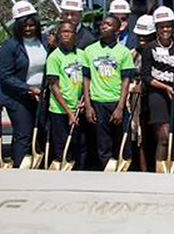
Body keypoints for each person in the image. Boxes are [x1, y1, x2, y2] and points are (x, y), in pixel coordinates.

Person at [83, 14, 135, 168]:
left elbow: (126, 81)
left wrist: (120, 107)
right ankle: (106, 171)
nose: (103, 26)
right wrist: (88, 106)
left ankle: (124, 171)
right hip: (98, 102)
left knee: (123, 143)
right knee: (103, 143)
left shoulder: (124, 52)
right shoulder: (89, 50)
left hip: (116, 102)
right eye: (102, 24)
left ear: (117, 30)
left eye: (108, 24)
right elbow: (86, 79)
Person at [0, 1, 48, 165]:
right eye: (24, 26)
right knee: (24, 133)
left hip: (41, 95)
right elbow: (5, 76)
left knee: (42, 131)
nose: (28, 29)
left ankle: (40, 165)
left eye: (31, 25)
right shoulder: (10, 46)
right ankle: (19, 165)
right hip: (17, 97)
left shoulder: (45, 41)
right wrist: (28, 88)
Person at [142, 7, 174, 170]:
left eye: (168, 26)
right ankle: (160, 172)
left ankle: (173, 169)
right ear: (156, 28)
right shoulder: (149, 48)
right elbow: (146, 76)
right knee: (164, 137)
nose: (165, 30)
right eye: (162, 27)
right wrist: (165, 87)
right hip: (158, 94)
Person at [46, 20, 85, 165]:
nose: (66, 35)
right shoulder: (54, 57)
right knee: (62, 146)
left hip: (78, 108)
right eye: (63, 32)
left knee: (80, 145)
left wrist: (85, 100)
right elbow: (54, 87)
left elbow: (87, 80)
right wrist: (69, 112)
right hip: (60, 110)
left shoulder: (82, 54)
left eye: (70, 32)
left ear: (75, 35)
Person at [131, 14, 156, 171]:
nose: (142, 39)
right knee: (140, 136)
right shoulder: (131, 54)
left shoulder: (157, 52)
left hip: (155, 99)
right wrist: (133, 87)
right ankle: (142, 170)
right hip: (137, 102)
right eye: (139, 35)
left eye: (145, 36)